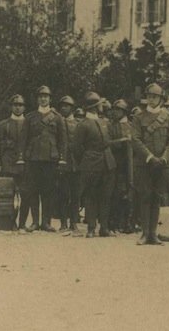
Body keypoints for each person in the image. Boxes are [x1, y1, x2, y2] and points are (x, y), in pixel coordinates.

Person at [131, 84, 169, 245]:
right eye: (149, 96)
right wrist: (150, 157)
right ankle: (145, 233)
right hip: (145, 164)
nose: (151, 99)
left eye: (155, 96)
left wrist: (164, 158)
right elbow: (136, 139)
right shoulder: (139, 117)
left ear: (161, 98)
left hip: (163, 164)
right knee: (145, 196)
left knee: (157, 197)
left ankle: (153, 233)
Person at [21, 85, 68, 232]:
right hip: (33, 158)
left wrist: (62, 158)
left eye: (46, 96)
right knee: (33, 190)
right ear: (37, 99)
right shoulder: (30, 117)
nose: (43, 98)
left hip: (50, 159)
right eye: (41, 96)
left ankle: (46, 222)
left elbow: (63, 141)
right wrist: (22, 157)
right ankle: (35, 222)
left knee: (48, 191)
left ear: (50, 99)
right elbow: (24, 139)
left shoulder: (58, 118)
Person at [71, 92, 117, 238]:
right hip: (91, 164)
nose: (101, 106)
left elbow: (109, 142)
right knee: (91, 195)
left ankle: (104, 227)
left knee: (106, 195)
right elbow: (77, 148)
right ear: (94, 107)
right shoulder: (83, 125)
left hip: (108, 163)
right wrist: (85, 161)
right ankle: (91, 227)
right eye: (99, 104)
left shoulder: (105, 123)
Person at [0, 94, 27, 227]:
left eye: (20, 105)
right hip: (7, 165)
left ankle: (22, 224)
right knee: (6, 195)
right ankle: (7, 222)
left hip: (24, 165)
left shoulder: (29, 123)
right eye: (15, 105)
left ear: (24, 107)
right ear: (11, 107)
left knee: (26, 195)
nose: (18, 108)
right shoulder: (3, 125)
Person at [107, 99, 134, 233]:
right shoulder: (111, 126)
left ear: (124, 112)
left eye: (119, 110)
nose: (116, 112)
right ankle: (114, 222)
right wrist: (121, 141)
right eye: (115, 110)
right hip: (115, 163)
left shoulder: (132, 126)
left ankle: (128, 222)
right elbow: (107, 143)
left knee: (129, 192)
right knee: (114, 193)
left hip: (128, 165)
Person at [57, 95, 79, 234]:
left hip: (75, 163)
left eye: (67, 106)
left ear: (72, 108)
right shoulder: (57, 122)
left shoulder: (78, 123)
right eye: (62, 106)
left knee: (76, 195)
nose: (64, 108)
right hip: (61, 163)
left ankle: (74, 222)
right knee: (62, 194)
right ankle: (63, 222)